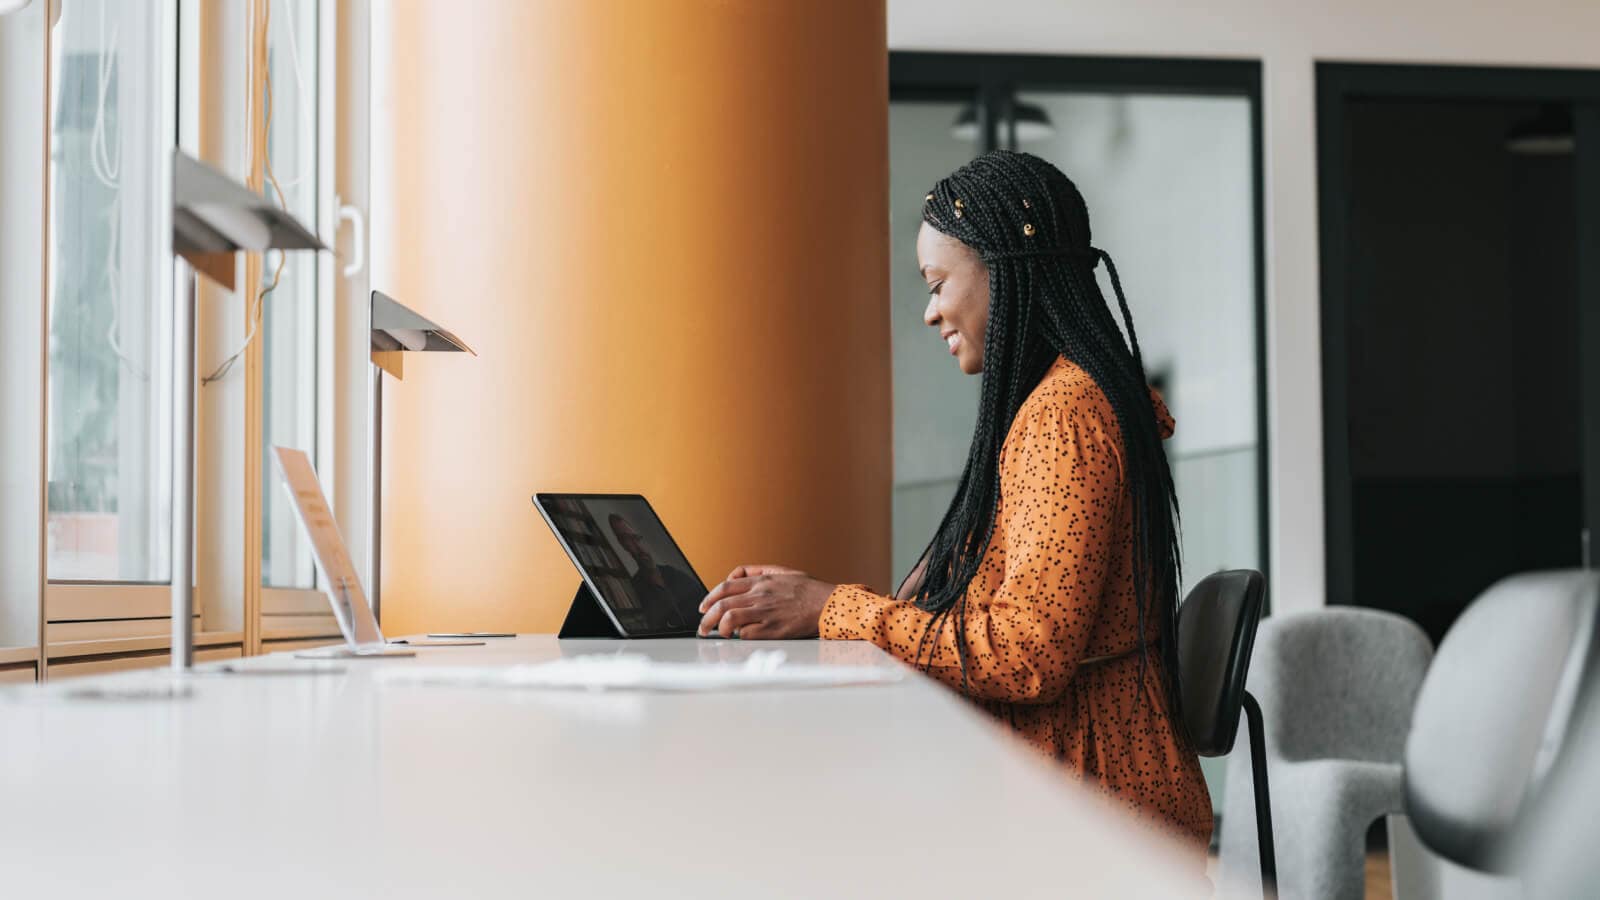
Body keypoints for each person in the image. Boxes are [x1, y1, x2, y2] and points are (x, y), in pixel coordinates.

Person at [696, 150, 1212, 854]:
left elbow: (1029, 653)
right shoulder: (1072, 400)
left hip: (1088, 814)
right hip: (1069, 790)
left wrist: (832, 608)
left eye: (938, 283)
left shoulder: (1065, 415)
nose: (930, 309)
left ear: (1006, 270)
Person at [609, 513, 700, 629]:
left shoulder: (672, 573)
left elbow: (704, 602)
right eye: (626, 539)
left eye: (636, 538)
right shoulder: (635, 587)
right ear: (623, 545)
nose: (638, 547)